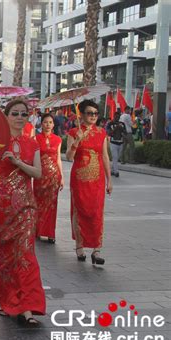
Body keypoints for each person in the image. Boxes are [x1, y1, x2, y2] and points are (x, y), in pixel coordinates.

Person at [0, 99, 45, 326]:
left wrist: (17, 162)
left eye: (24, 114)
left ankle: (28, 306)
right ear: (6, 116)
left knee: (25, 254)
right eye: (15, 113)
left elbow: (38, 173)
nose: (20, 117)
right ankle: (8, 301)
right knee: (3, 256)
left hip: (25, 207)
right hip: (2, 207)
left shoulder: (32, 144)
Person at [66, 99, 112, 265]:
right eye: (89, 113)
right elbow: (69, 157)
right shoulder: (73, 132)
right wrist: (77, 141)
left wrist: (109, 180)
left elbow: (105, 157)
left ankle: (96, 249)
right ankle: (79, 246)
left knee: (96, 212)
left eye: (95, 113)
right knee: (80, 212)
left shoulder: (102, 133)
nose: (93, 116)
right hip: (79, 180)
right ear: (82, 115)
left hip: (98, 180)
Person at [33, 113, 64, 244]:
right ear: (41, 123)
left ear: (53, 124)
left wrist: (61, 177)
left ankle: (51, 233)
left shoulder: (58, 139)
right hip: (40, 176)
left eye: (50, 122)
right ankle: (39, 231)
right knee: (38, 203)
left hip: (53, 177)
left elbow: (58, 158)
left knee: (52, 205)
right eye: (45, 122)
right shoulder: (35, 139)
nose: (48, 125)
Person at [106, 112, 126, 177]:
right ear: (114, 116)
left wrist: (121, 129)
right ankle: (116, 172)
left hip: (121, 143)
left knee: (117, 157)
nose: (117, 118)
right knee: (115, 157)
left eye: (118, 117)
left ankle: (112, 170)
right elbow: (109, 133)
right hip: (113, 143)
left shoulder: (122, 124)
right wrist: (116, 128)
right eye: (116, 116)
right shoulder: (110, 124)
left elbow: (125, 133)